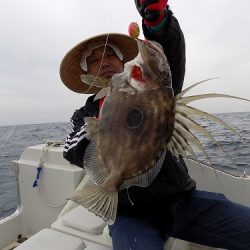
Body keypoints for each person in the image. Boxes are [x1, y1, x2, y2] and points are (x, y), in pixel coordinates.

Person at [60, 1, 250, 249]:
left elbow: (167, 58)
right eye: (94, 60)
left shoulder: (157, 92)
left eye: (109, 54)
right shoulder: (85, 113)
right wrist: (103, 125)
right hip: (130, 215)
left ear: (124, 62)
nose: (103, 61)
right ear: (87, 72)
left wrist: (157, 21)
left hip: (182, 201)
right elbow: (70, 148)